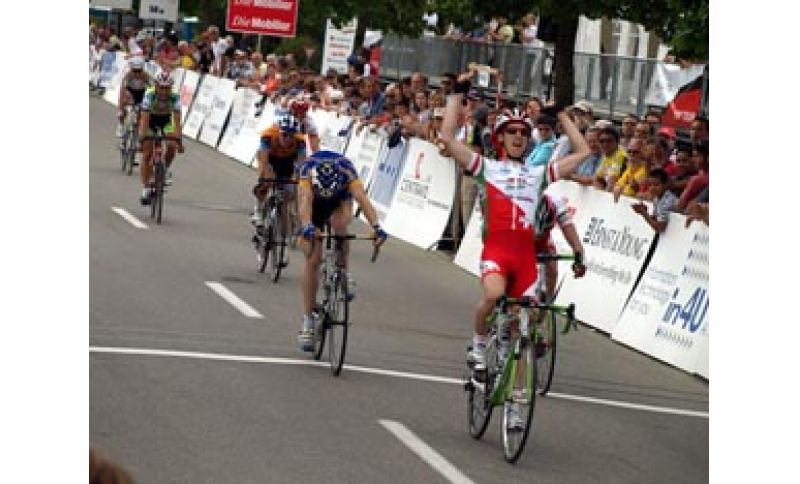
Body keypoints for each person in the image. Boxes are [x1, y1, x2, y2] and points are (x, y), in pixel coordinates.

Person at [438, 68, 590, 427]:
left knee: (526, 329)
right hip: (497, 252)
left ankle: (517, 404)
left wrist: (561, 115)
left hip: (525, 260)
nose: (519, 137)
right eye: (512, 132)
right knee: (492, 296)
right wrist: (456, 95)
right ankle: (478, 346)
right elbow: (446, 137)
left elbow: (583, 151)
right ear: (500, 137)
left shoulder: (539, 174)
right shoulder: (486, 167)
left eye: (524, 132)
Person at [296, 150, 388, 350]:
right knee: (313, 258)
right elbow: (305, 202)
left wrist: (377, 227)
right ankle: (307, 319)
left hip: (339, 202)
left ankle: (344, 272)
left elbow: (362, 199)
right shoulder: (307, 171)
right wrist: (307, 225)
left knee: (340, 225)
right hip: (314, 206)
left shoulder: (347, 171)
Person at [251, 112, 308, 236]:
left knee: (291, 190)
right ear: (278, 132)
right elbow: (264, 161)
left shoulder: (300, 142)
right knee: (266, 180)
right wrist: (265, 177)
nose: (287, 139)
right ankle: (258, 210)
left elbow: (302, 164)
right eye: (284, 135)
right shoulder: (268, 136)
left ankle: (285, 215)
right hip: (270, 159)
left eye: (291, 136)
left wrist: (297, 177)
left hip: (287, 161)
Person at [138, 72, 183, 205]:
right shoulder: (149, 95)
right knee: (147, 153)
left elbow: (177, 120)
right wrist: (142, 137)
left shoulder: (175, 97)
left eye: (167, 88)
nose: (163, 91)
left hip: (166, 121)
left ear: (171, 88)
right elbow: (144, 119)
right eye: (161, 88)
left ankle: (164, 170)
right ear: (156, 86)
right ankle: (146, 187)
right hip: (150, 120)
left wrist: (179, 140)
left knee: (172, 146)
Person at [534, 193, 587, 306]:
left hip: (543, 239)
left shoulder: (556, 203)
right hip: (517, 236)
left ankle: (546, 305)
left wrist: (580, 261)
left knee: (552, 267)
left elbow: (575, 241)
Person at [116, 57, 152, 140]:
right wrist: (121, 107)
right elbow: (122, 91)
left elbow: (153, 88)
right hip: (129, 91)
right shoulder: (127, 75)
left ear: (142, 69)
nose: (137, 73)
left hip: (141, 92)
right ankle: (120, 124)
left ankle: (140, 129)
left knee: (144, 110)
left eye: (139, 71)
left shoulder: (146, 75)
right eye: (134, 71)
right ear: (131, 69)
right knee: (123, 104)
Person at [631, 168, 677, 233]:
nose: (652, 188)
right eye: (650, 185)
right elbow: (655, 219)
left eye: (656, 185)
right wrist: (644, 211)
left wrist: (644, 213)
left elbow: (660, 228)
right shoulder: (657, 199)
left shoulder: (667, 201)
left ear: (665, 185)